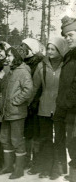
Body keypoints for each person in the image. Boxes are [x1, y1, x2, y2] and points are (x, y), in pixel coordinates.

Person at [30, 37, 69, 179]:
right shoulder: (42, 66)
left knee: (59, 139)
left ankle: (58, 168)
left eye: (53, 49)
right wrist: (30, 103)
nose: (50, 52)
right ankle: (46, 167)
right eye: (48, 49)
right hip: (45, 107)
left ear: (60, 50)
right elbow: (34, 87)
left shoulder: (66, 65)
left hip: (61, 107)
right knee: (45, 139)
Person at [0, 47, 33, 179]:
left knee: (17, 140)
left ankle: (19, 169)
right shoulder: (10, 71)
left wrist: (15, 101)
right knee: (4, 139)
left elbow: (28, 90)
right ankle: (8, 166)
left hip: (16, 113)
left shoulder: (23, 71)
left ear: (17, 57)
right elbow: (3, 89)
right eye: (7, 56)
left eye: (10, 56)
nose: (7, 58)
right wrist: (0, 99)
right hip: (6, 112)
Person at [53, 16, 76, 182]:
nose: (68, 38)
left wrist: (68, 103)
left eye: (71, 34)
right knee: (72, 144)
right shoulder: (70, 56)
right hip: (68, 109)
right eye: (66, 36)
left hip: (73, 108)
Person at [19, 38, 45, 171]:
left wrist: (34, 102)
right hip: (26, 103)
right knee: (27, 134)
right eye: (22, 48)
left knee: (36, 134)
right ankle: (26, 159)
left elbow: (39, 86)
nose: (23, 50)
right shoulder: (24, 63)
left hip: (37, 103)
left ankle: (36, 161)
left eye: (25, 48)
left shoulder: (40, 63)